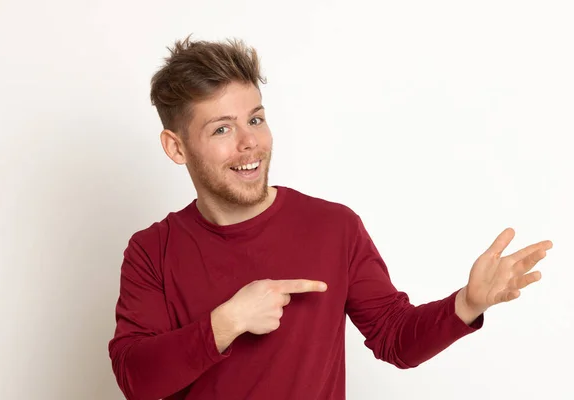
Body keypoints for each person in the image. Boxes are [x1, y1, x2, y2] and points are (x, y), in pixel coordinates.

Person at [107, 36, 552, 400]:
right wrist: (227, 322)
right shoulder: (152, 250)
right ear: (176, 147)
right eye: (222, 128)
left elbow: (395, 338)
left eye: (256, 119)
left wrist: (467, 305)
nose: (250, 143)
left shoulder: (333, 227)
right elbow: (136, 380)